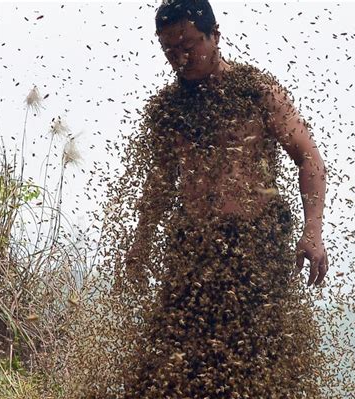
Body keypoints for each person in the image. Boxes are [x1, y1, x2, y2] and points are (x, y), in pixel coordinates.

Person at [125, 0, 329, 290]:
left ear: (215, 35)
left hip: (257, 248)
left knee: (265, 335)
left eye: (189, 46)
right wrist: (140, 244)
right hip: (190, 251)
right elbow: (160, 183)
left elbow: (310, 159)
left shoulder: (258, 92)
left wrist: (312, 231)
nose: (181, 58)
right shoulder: (167, 110)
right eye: (170, 51)